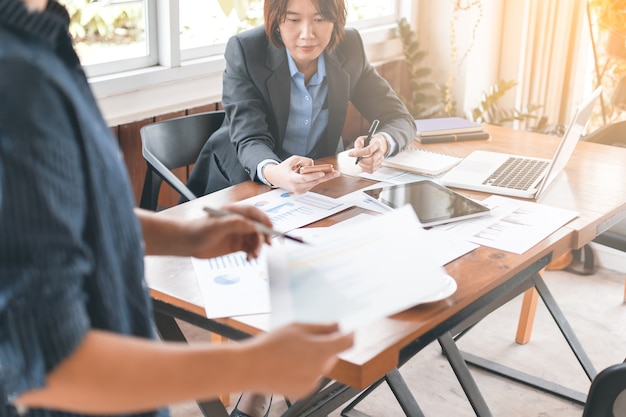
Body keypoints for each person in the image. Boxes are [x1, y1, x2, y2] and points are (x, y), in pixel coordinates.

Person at [0, 2, 354, 417]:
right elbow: (54, 368)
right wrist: (254, 364)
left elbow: (66, 217)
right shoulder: (14, 80)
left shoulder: (42, 37)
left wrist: (185, 235)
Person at [186, 0, 417, 197]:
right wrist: (276, 173)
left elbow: (399, 117)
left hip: (313, 190)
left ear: (335, 19)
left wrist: (382, 144)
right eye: (294, 20)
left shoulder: (349, 47)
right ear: (277, 20)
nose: (307, 34)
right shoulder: (247, 51)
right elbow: (250, 139)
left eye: (319, 19)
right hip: (242, 181)